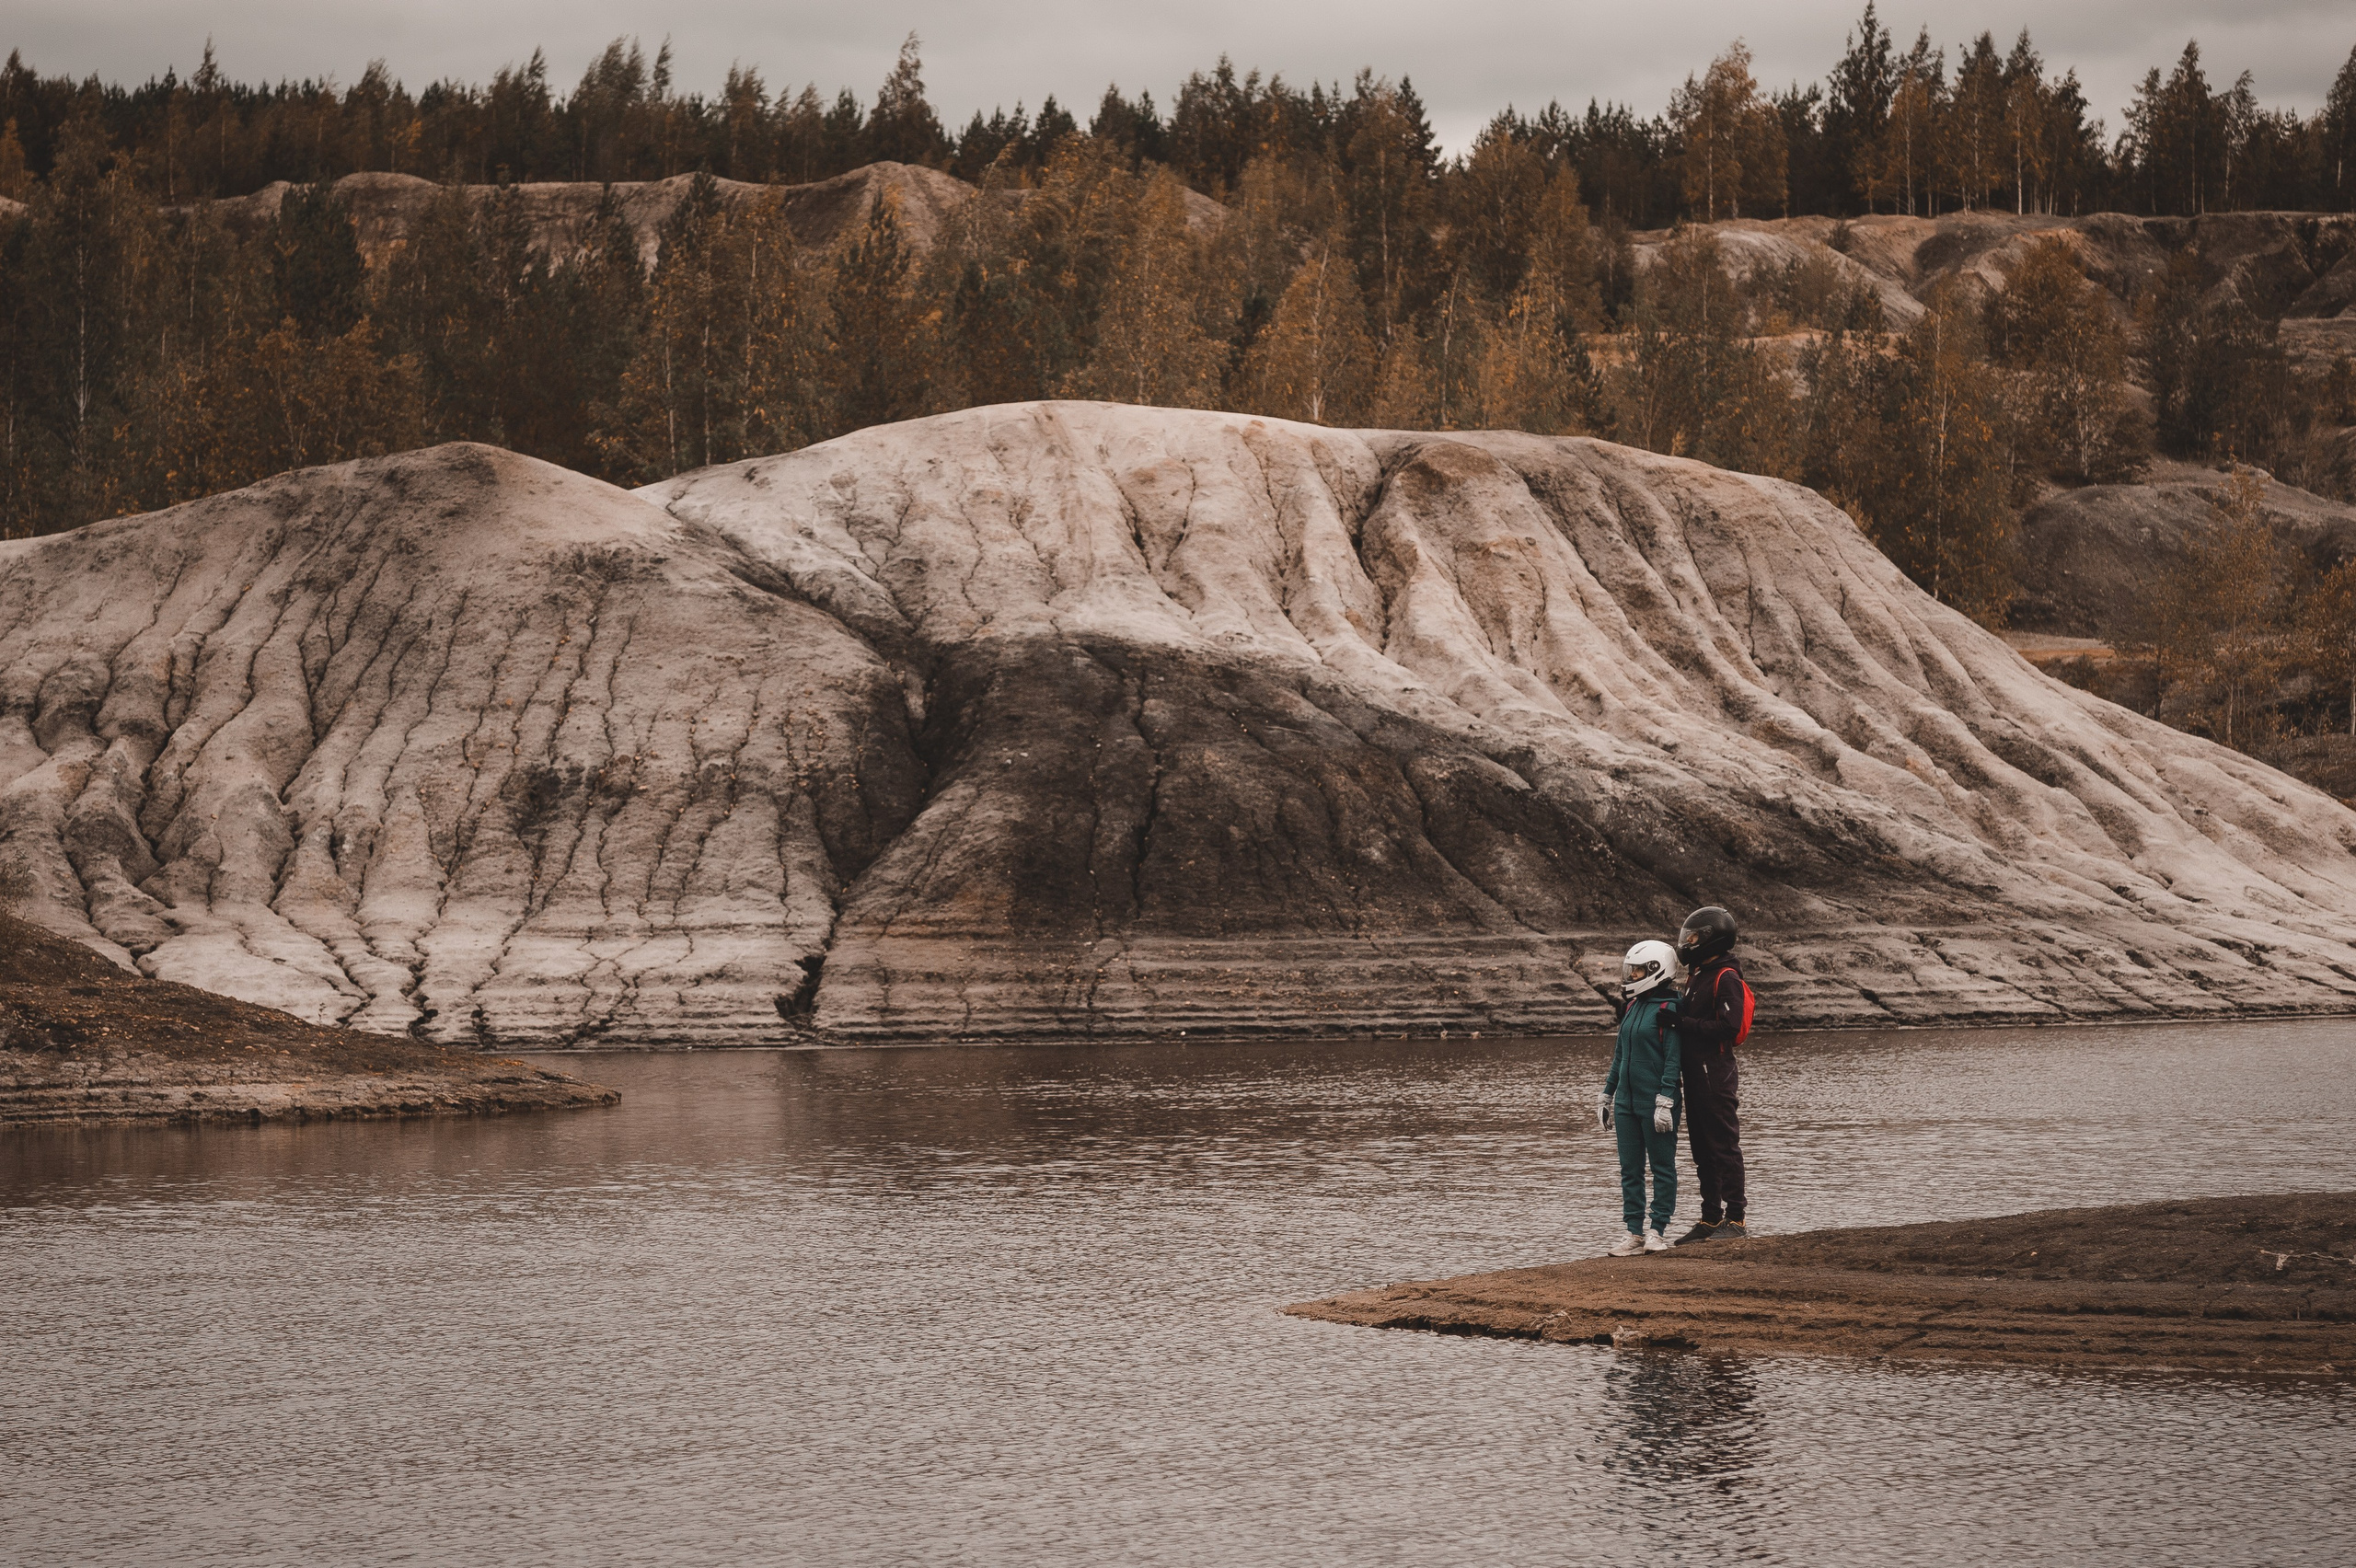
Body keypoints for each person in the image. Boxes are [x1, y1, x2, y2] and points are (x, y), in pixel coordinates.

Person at [1670, 905, 1755, 1243]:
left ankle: (1736, 1219)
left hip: (1715, 1075)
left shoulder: (1726, 977)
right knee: (1702, 1150)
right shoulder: (1698, 974)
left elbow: (1728, 1026)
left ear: (1711, 939)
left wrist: (1684, 1023)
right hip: (1694, 1075)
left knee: (1724, 1147)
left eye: (1692, 938)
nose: (1687, 943)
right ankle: (1710, 1218)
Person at [1599, 939, 1682, 1256]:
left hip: (1658, 1104)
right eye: (1630, 972)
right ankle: (1633, 1232)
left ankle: (1657, 1231)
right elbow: (1620, 1055)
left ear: (1656, 970)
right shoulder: (1632, 1007)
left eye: (1636, 972)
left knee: (1662, 1168)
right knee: (1630, 1170)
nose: (1630, 977)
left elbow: (1673, 1060)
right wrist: (1606, 1095)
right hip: (1626, 1104)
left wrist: (1665, 1100)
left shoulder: (1669, 1008)